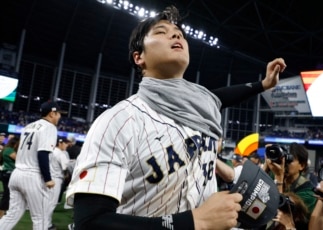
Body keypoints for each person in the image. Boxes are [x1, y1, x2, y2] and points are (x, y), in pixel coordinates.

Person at [66, 5, 287, 230]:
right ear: (139, 57)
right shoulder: (119, 120)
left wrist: (263, 84)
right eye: (161, 32)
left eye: (179, 33)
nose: (176, 34)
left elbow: (218, 98)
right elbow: (90, 222)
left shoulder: (201, 109)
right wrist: (194, 221)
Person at [0, 101, 64, 230]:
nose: (59, 117)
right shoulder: (50, 127)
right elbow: (42, 153)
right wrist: (48, 178)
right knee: (41, 218)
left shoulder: (28, 126)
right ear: (52, 113)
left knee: (11, 215)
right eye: (58, 114)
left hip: (17, 174)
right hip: (32, 176)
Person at [263, 142, 317, 217]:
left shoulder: (308, 192)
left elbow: (282, 215)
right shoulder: (274, 175)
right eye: (282, 158)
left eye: (289, 159)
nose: (284, 163)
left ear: (302, 165)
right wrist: (266, 165)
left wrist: (279, 177)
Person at [48, 137, 71, 229]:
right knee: (52, 203)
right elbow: (66, 168)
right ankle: (47, 224)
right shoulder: (61, 154)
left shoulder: (51, 151)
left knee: (46, 202)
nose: (67, 145)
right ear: (60, 143)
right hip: (56, 180)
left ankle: (43, 222)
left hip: (47, 178)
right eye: (65, 143)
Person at [0, 136, 19, 218]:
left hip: (7, 173)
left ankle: (6, 212)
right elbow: (19, 159)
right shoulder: (9, 150)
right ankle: (1, 214)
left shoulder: (6, 149)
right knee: (7, 195)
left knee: (9, 194)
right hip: (8, 174)